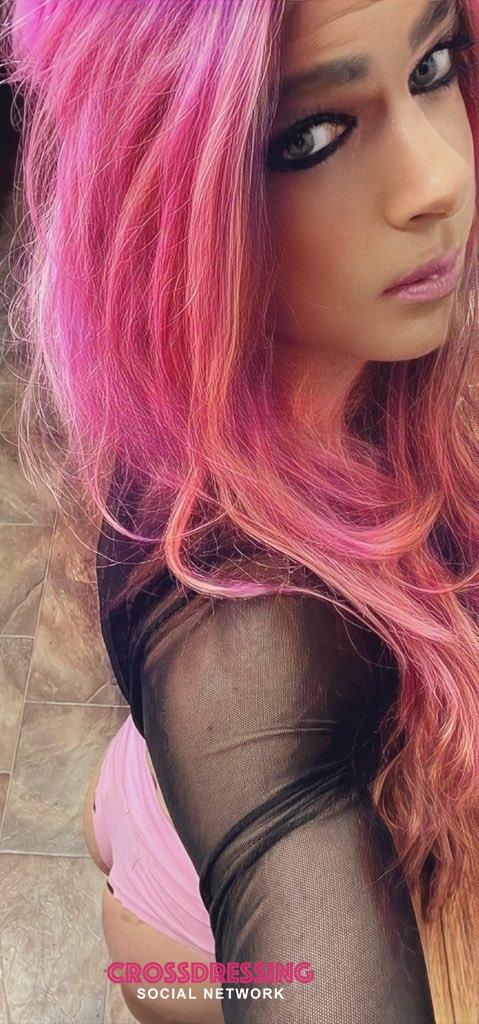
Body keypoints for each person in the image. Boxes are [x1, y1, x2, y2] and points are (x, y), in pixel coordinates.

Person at [3, 0, 479, 1022]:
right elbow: (290, 837)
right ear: (162, 194)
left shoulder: (179, 381)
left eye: (433, 65)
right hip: (181, 956)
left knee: (130, 800)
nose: (438, 179)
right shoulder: (254, 639)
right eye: (310, 136)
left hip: (147, 795)